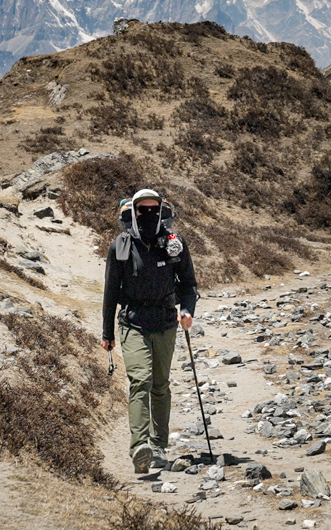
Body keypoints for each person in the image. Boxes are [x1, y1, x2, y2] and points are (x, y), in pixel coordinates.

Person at [100, 188, 197, 474]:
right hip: (132, 321)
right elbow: (110, 293)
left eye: (154, 209)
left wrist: (187, 310)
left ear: (162, 212)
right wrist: (108, 334)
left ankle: (158, 447)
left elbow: (188, 284)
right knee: (140, 379)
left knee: (160, 384)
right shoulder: (120, 246)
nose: (148, 214)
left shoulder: (174, 243)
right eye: (142, 209)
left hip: (166, 321)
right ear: (131, 212)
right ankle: (139, 446)